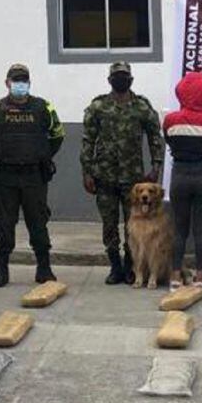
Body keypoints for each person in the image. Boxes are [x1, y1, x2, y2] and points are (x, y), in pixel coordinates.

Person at [81, 62, 165, 285]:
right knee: (109, 225)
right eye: (117, 76)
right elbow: (88, 140)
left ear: (131, 80)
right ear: (109, 80)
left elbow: (155, 136)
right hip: (105, 176)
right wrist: (87, 172)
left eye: (124, 76)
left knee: (133, 226)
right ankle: (114, 267)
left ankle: (131, 267)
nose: (121, 80)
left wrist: (156, 165)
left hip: (133, 181)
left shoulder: (141, 107)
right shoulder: (98, 107)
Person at [0, 63, 66, 287]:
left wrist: (43, 155)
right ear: (7, 83)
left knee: (38, 222)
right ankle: (1, 270)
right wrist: (2, 155)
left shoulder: (42, 107)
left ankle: (44, 268)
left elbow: (57, 134)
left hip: (33, 176)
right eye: (15, 80)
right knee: (3, 225)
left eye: (23, 81)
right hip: (6, 177)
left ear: (29, 83)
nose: (19, 84)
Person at [163, 72, 202, 290]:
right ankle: (199, 277)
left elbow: (168, 140)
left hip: (180, 174)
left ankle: (175, 276)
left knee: (179, 228)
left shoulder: (170, 120)